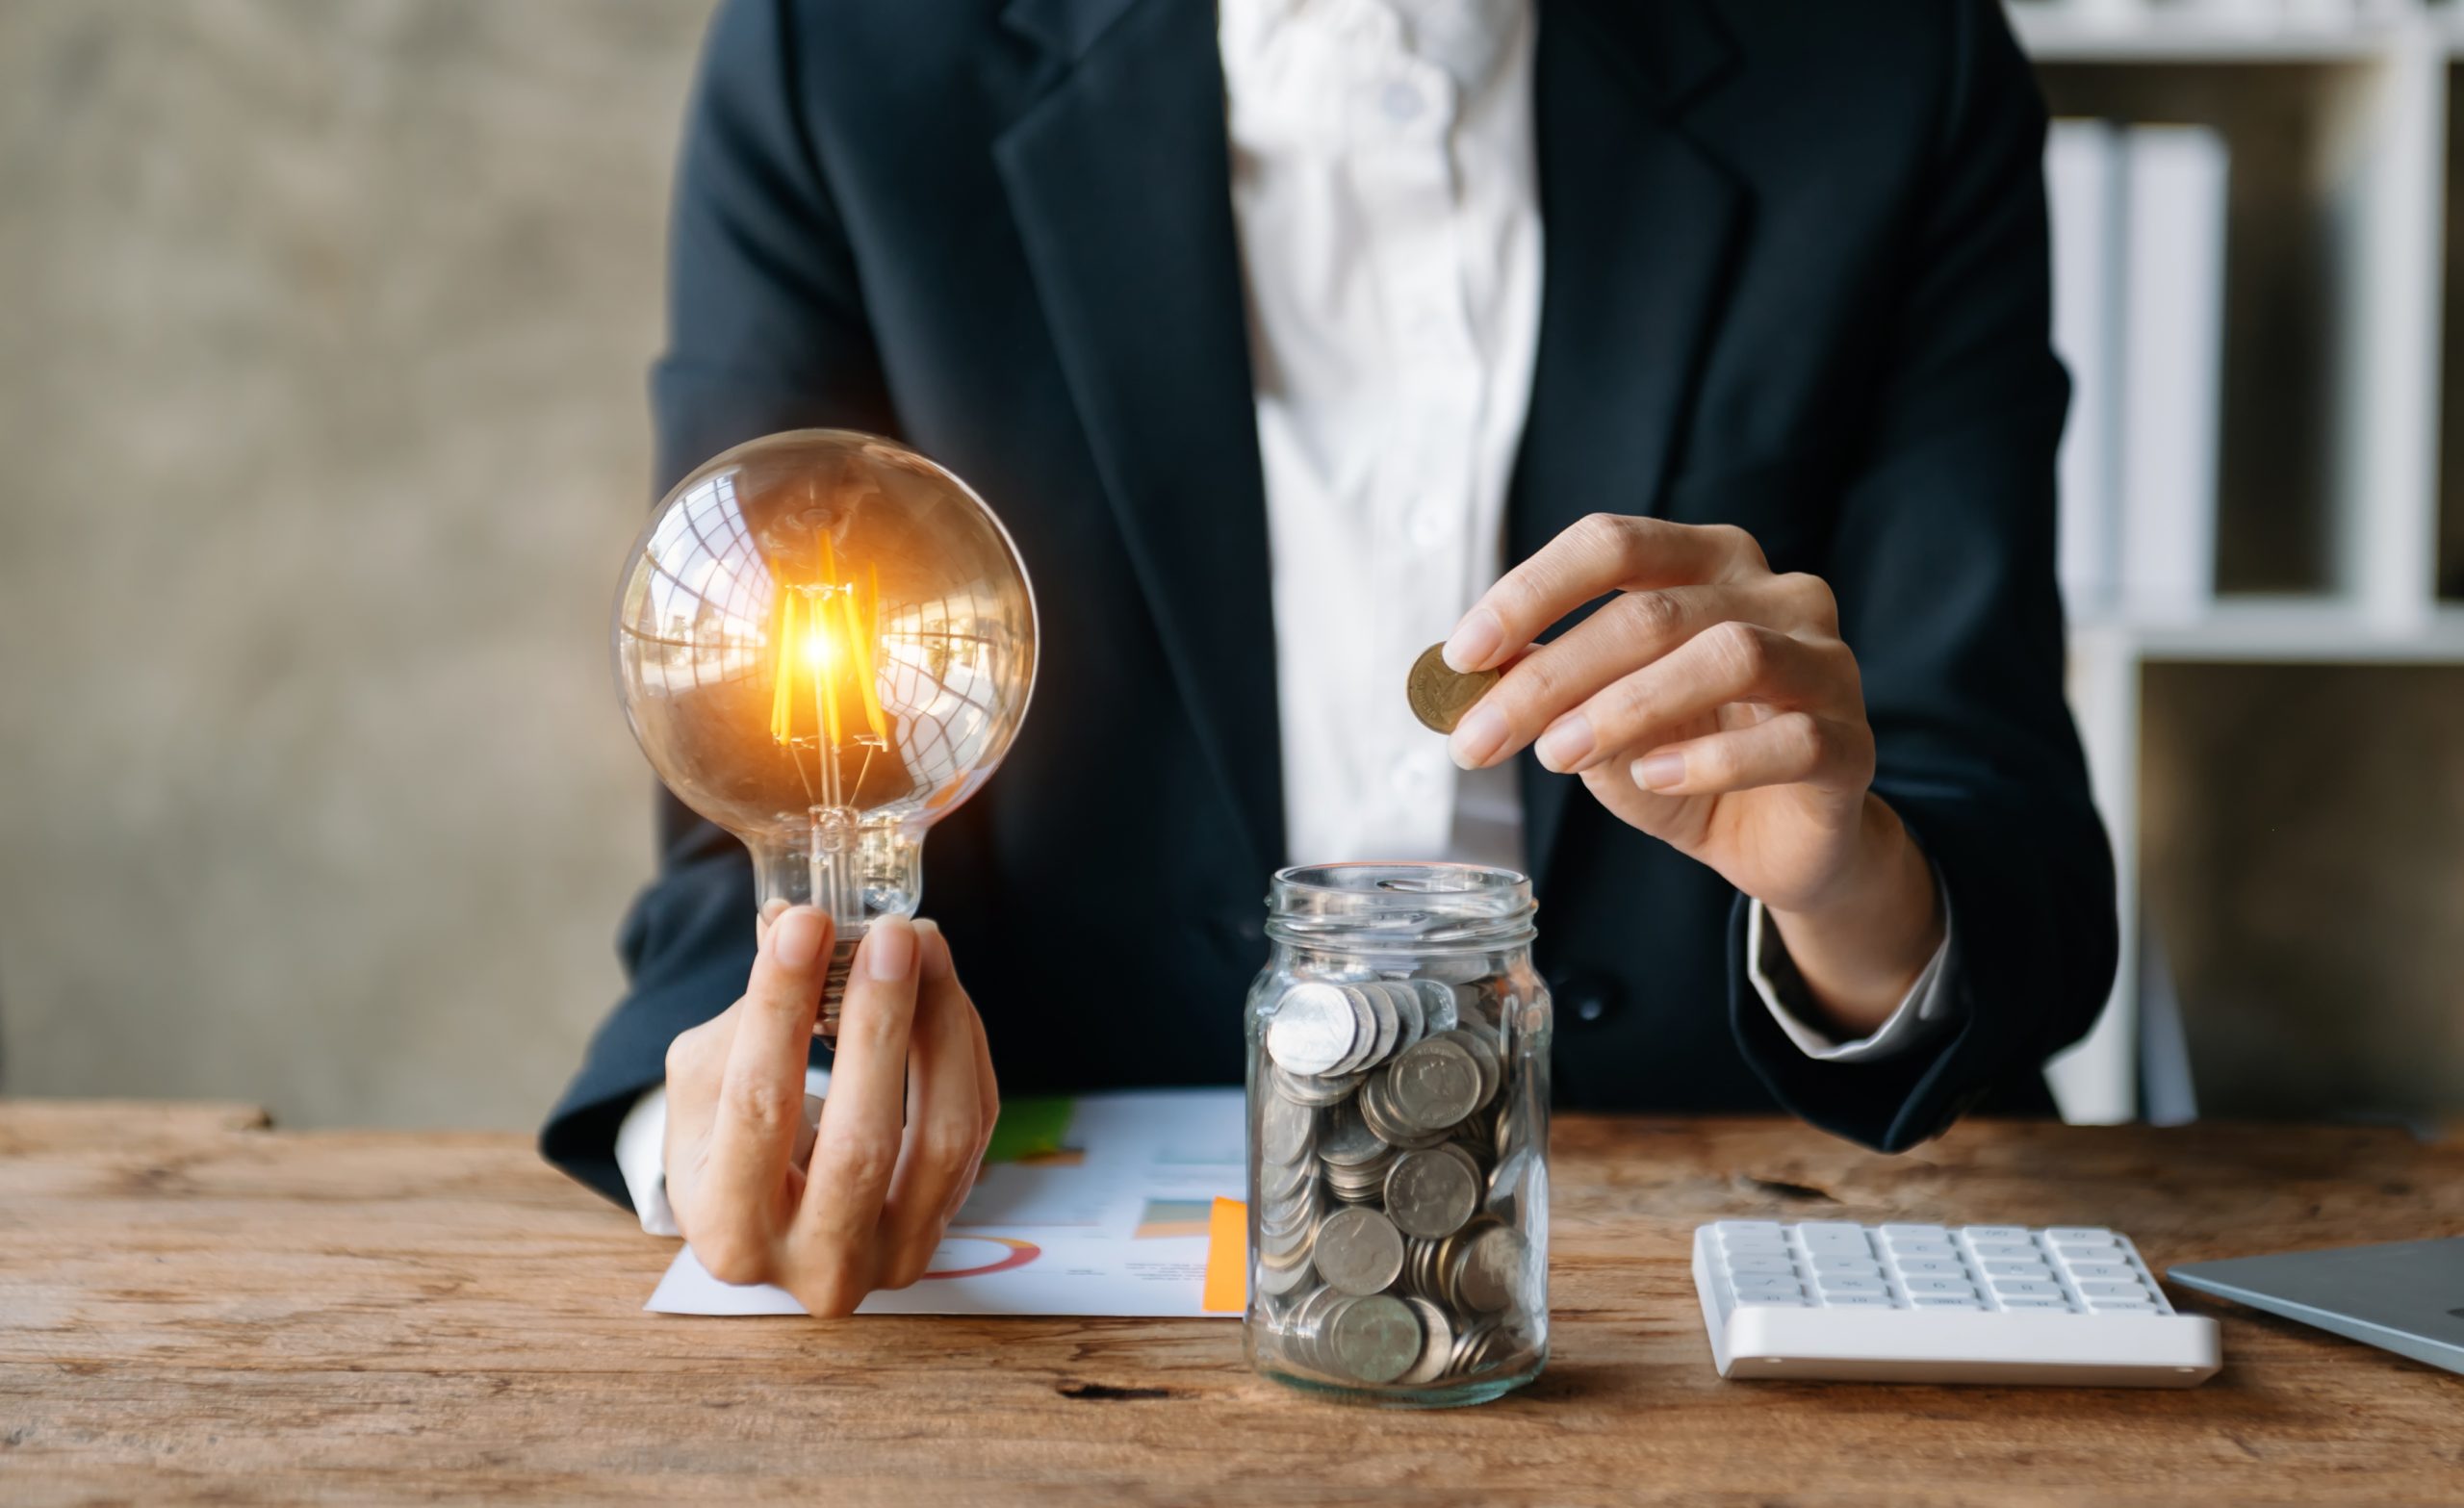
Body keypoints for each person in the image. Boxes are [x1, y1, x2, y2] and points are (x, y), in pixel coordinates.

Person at [543, 0, 2117, 1317]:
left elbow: (2007, 835)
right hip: (1078, 1263)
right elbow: (753, 777)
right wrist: (786, 1103)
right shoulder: (843, 55)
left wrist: (1841, 887)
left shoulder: (1890, 58)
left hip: (1725, 1239)